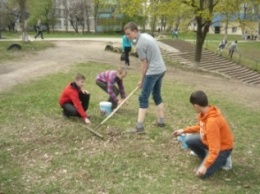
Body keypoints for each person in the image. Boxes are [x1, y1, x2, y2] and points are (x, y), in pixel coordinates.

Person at [173, 90, 233, 179]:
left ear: (196, 105)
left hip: (222, 149)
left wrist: (204, 167)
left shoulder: (212, 122)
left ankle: (224, 161)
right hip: (210, 143)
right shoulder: (205, 113)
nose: (193, 108)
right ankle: (208, 158)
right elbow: (200, 127)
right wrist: (184, 131)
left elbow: (215, 148)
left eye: (193, 106)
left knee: (202, 174)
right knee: (189, 140)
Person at [124, 22, 166, 133]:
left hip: (153, 71)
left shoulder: (140, 45)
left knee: (143, 97)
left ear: (135, 31)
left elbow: (144, 64)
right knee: (156, 94)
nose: (128, 36)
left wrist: (142, 80)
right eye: (126, 34)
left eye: (129, 34)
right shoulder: (146, 35)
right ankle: (161, 121)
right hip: (161, 69)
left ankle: (139, 127)